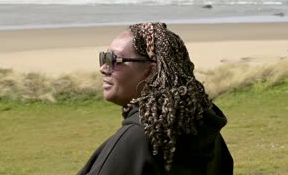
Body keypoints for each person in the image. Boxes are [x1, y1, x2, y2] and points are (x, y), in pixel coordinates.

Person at [78, 22, 233, 175]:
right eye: (104, 58)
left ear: (150, 71)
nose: (103, 68)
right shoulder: (207, 132)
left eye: (113, 60)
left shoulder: (136, 140)